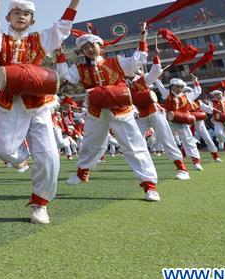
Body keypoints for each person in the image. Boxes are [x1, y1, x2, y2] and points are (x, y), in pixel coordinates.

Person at [0, 0, 83, 223]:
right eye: (16, 12)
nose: (21, 16)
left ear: (31, 19)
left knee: (49, 156)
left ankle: (40, 203)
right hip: (10, 103)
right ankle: (22, 157)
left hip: (38, 103)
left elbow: (63, 28)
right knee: (5, 152)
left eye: (25, 14)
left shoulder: (40, 39)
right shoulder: (1, 41)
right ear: (9, 17)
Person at [57, 23, 161, 202]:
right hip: (96, 110)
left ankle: (149, 186)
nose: (90, 49)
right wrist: (59, 54)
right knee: (90, 143)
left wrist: (142, 39)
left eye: (92, 46)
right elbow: (66, 75)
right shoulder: (80, 69)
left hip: (121, 109)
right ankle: (82, 173)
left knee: (133, 145)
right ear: (82, 51)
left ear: (100, 47)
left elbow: (138, 61)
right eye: (85, 47)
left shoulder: (116, 61)